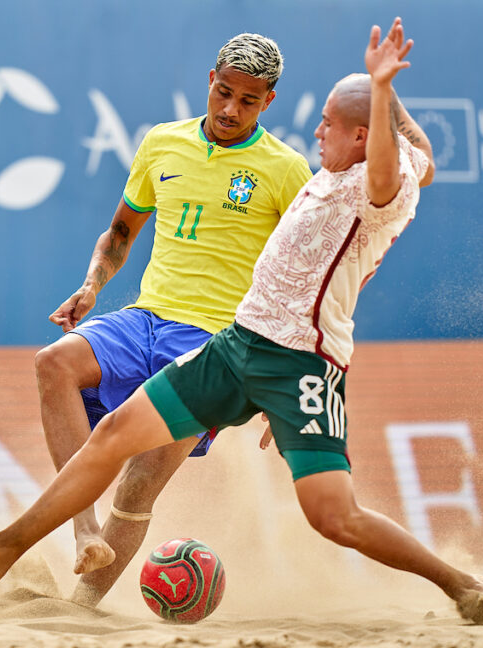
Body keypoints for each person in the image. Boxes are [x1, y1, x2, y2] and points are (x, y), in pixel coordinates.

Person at [0, 18, 483, 616]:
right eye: (224, 93)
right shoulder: (333, 171)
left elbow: (393, 164)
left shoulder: (370, 192)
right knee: (109, 435)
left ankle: (463, 586)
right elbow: (424, 156)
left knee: (335, 515)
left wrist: (383, 89)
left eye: (331, 125)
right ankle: (6, 548)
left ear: (363, 136)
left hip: (297, 365)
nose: (317, 130)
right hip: (237, 345)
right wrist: (384, 92)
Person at [33, 32, 312, 606]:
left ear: (270, 102)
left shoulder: (286, 170)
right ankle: (83, 530)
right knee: (54, 363)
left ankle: (80, 611)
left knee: (139, 483)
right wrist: (91, 285)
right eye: (225, 93)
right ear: (211, 81)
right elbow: (119, 232)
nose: (232, 110)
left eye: (249, 101)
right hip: (146, 317)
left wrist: (289, 379)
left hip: (217, 347)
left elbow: (309, 280)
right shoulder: (163, 143)